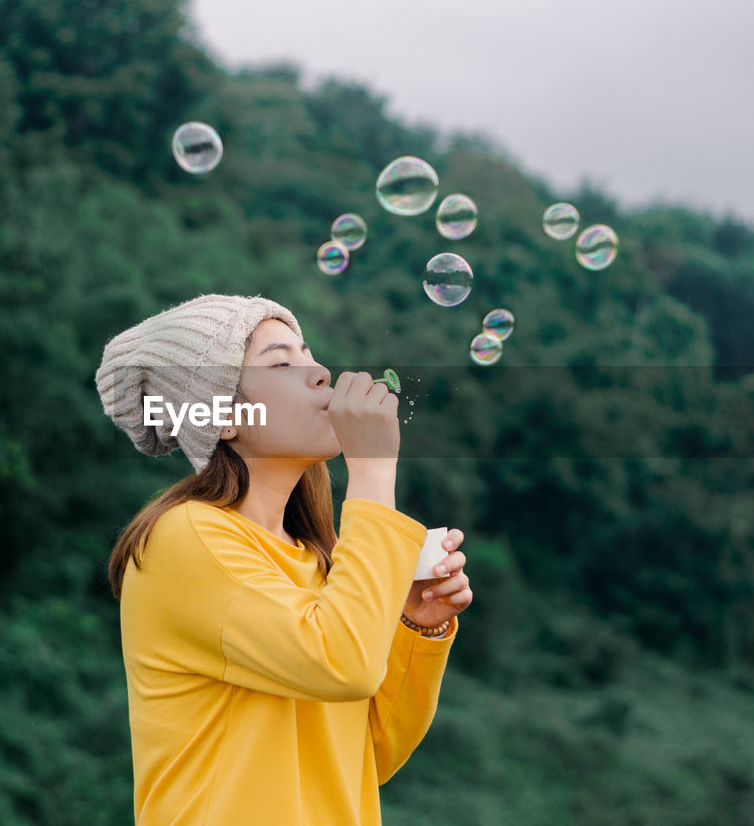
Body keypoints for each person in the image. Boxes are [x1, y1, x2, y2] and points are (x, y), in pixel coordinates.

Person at [95, 293, 473, 825]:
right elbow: (342, 663)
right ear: (223, 416)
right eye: (280, 362)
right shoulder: (187, 538)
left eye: (308, 353)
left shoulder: (319, 563)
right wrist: (371, 472)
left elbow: (369, 753)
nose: (318, 372)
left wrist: (414, 625)